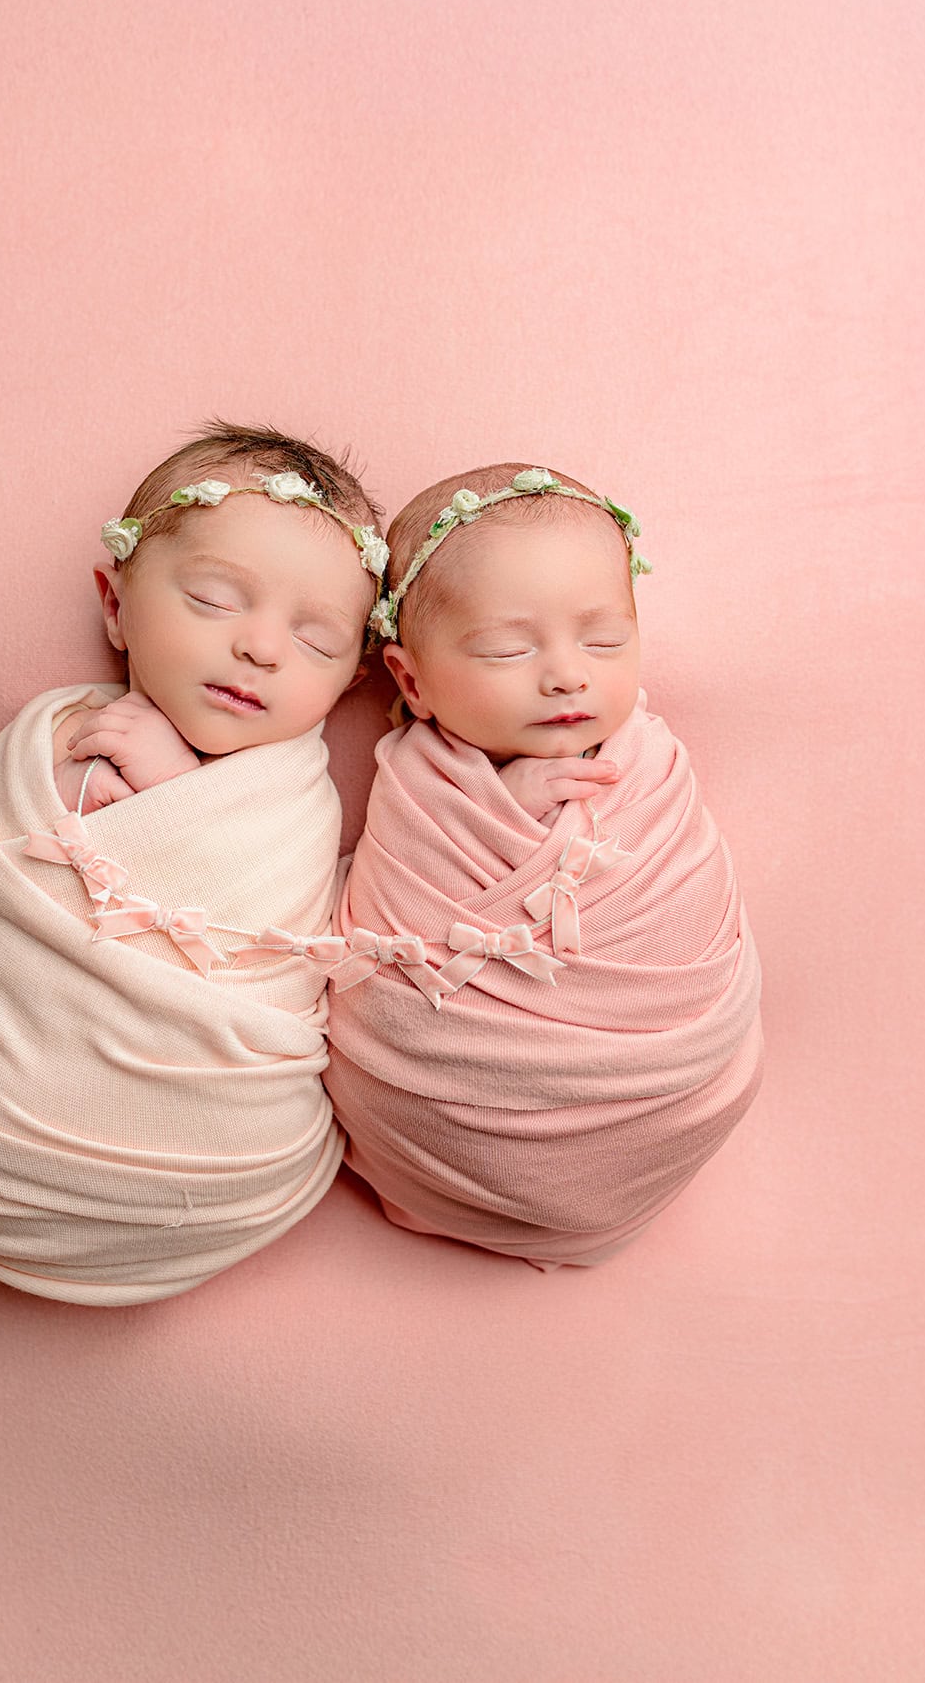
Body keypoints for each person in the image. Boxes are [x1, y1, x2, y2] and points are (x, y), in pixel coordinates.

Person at [0, 423, 388, 1303]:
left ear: (353, 680)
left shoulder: (298, 803)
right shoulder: (60, 734)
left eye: (316, 641)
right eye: (215, 601)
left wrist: (176, 793)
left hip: (218, 1161)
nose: (261, 649)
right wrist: (108, 789)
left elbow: (270, 937)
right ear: (114, 602)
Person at [324, 462, 763, 1269]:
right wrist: (503, 806)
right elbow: (392, 926)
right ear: (411, 680)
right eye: (506, 648)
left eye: (605, 640)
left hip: (660, 1086)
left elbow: (686, 904)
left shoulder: (650, 767)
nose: (567, 674)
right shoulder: (418, 788)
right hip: (449, 1102)